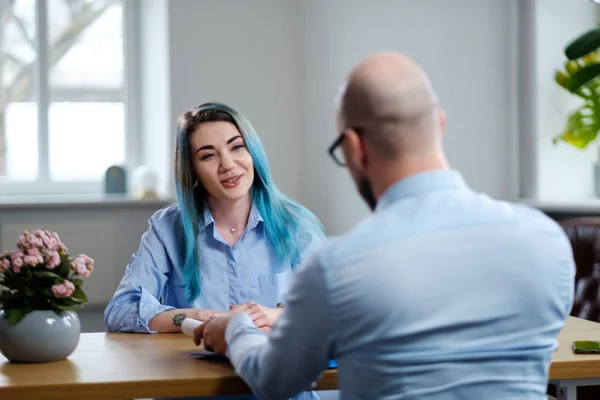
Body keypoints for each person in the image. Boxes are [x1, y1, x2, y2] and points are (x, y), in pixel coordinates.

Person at [193, 52, 576, 400]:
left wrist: (235, 329)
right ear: (439, 125)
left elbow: (274, 382)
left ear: (355, 148)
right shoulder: (546, 241)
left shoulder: (337, 267)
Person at [104, 102, 324, 400]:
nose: (228, 164)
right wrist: (194, 319)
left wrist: (273, 315)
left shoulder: (296, 224)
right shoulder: (168, 227)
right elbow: (120, 310)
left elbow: (331, 308)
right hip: (196, 390)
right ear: (192, 171)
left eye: (237, 147)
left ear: (253, 154)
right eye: (208, 155)